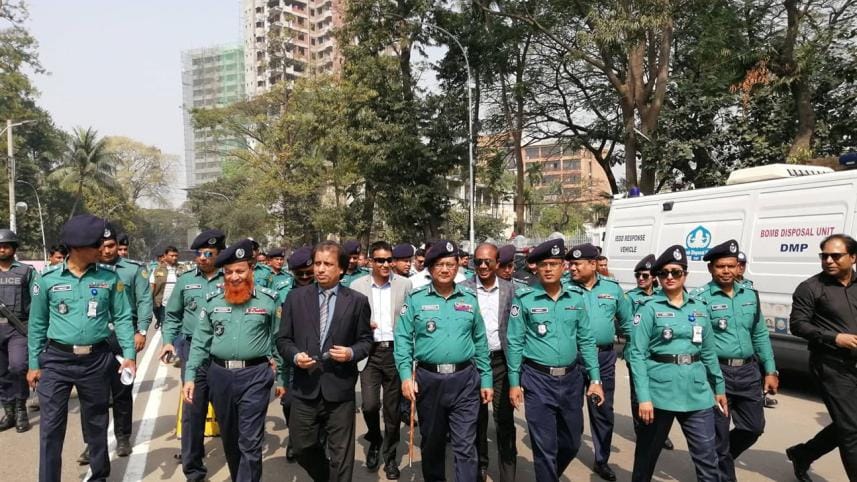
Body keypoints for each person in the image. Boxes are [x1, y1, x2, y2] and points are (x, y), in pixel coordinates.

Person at [27, 214, 136, 482]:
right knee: (51, 428)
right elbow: (37, 323)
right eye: (97, 244)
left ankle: (99, 476)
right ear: (78, 247)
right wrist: (33, 363)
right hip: (56, 361)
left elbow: (122, 316)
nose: (103, 249)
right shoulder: (47, 280)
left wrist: (129, 357)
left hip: (96, 360)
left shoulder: (110, 278)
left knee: (97, 424)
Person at [182, 239, 284, 482]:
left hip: (256, 376)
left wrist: (281, 377)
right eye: (228, 272)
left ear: (251, 269)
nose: (234, 277)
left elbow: (279, 339)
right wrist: (190, 376)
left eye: (240, 271)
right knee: (230, 438)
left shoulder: (269, 301)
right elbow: (199, 342)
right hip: (220, 376)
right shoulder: (213, 301)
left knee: (249, 440)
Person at [394, 240, 493, 482]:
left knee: (465, 445)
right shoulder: (416, 299)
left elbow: (480, 342)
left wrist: (486, 379)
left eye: (451, 264)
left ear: (458, 266)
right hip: (430, 381)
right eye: (439, 264)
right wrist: (406, 377)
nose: (446, 269)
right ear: (429, 268)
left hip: (465, 380)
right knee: (432, 444)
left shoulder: (469, 299)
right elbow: (403, 340)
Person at [506, 238, 604, 482]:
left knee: (572, 441)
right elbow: (515, 342)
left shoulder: (575, 299)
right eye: (543, 264)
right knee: (545, 448)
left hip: (571, 380)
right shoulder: (525, 299)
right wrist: (514, 382)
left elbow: (586, 340)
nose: (548, 269)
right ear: (535, 268)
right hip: (537, 380)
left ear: (563, 267)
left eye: (554, 264)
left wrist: (595, 379)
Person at [628, 245, 727, 482]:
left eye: (676, 272)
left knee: (707, 458)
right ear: (658, 277)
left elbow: (709, 352)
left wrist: (719, 388)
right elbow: (637, 355)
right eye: (664, 273)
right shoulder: (649, 308)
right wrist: (643, 397)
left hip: (696, 392)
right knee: (646, 458)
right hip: (659, 393)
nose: (670, 277)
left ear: (685, 274)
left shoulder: (700, 308)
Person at [277, 240, 373, 482]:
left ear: (340, 268)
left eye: (327, 264)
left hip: (339, 388)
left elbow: (365, 340)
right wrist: (295, 356)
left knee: (342, 454)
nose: (320, 269)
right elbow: (283, 340)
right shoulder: (295, 298)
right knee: (302, 448)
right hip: (304, 387)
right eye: (317, 263)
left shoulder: (357, 301)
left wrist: (351, 353)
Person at [690, 239, 778, 482]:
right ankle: (721, 471)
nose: (726, 271)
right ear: (711, 269)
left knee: (753, 427)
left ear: (738, 267)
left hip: (749, 372)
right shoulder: (700, 299)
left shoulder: (750, 295)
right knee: (719, 433)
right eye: (720, 266)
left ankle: (716, 458)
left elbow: (759, 334)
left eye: (731, 265)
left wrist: (770, 369)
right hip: (718, 373)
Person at [78, 226, 153, 463]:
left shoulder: (132, 270)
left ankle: (122, 436)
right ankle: (92, 443)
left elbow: (143, 301)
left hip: (124, 335)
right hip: (95, 335)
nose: (107, 250)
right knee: (91, 393)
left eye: (111, 246)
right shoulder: (87, 269)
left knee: (122, 388)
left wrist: (141, 331)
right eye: (102, 246)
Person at [787, 234, 857, 481]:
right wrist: (834, 337)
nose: (828, 260)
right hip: (831, 366)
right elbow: (798, 325)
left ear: (853, 257)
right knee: (851, 429)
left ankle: (803, 454)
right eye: (824, 255)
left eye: (835, 256)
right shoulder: (811, 288)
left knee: (847, 424)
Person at [158, 229, 226, 482]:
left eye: (208, 253)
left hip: (222, 354)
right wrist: (168, 342)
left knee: (227, 410)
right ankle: (193, 470)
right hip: (191, 352)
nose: (202, 258)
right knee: (193, 411)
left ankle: (237, 459)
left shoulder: (231, 278)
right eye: (199, 253)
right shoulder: (186, 281)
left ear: (219, 254)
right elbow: (172, 315)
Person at [566, 243, 634, 481]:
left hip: (604, 357)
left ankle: (601, 459)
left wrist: (633, 351)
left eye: (577, 264)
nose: (572, 268)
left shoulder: (613, 289)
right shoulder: (563, 288)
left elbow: (628, 324)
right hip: (571, 358)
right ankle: (563, 453)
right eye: (570, 264)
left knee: (603, 411)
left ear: (593, 264)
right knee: (569, 411)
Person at [350, 241, 412, 479]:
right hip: (369, 353)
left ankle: (390, 457)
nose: (385, 264)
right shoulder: (357, 286)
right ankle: (374, 438)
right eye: (380, 260)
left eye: (388, 260)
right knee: (369, 405)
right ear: (370, 261)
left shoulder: (405, 284)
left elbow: (410, 319)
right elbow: (349, 319)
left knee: (393, 411)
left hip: (396, 352)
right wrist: (363, 327)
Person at [463, 243, 517, 482]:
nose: (483, 266)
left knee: (504, 420)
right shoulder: (462, 290)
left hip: (501, 363)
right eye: (478, 262)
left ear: (497, 263)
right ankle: (480, 467)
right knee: (476, 419)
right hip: (472, 363)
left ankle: (507, 472)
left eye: (488, 261)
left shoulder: (511, 290)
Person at [624, 254, 673, 450]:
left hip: (661, 354)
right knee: (638, 395)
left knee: (661, 394)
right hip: (637, 353)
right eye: (638, 275)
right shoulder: (630, 297)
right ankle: (642, 430)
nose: (641, 279)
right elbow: (625, 324)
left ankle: (661, 432)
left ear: (654, 277)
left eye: (645, 275)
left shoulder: (663, 296)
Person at [280, 245, 315, 462]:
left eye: (308, 274)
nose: (304, 277)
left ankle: (316, 441)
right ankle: (295, 436)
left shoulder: (325, 288)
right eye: (299, 274)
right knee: (289, 402)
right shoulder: (284, 291)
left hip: (318, 354)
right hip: (290, 355)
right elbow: (277, 328)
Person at [0, 229, 36, 434]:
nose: (2, 249)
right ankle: (9, 412)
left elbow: (37, 302)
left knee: (17, 367)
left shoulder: (26, 271)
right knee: (1, 373)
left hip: (18, 328)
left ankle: (21, 409)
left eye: (6, 245)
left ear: (14, 248)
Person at [150, 246, 181, 330]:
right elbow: (152, 286)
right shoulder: (157, 270)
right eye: (172, 255)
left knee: (179, 329)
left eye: (176, 255)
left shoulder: (183, 269)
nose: (174, 258)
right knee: (166, 328)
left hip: (180, 306)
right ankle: (159, 320)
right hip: (163, 305)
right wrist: (150, 301)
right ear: (165, 255)